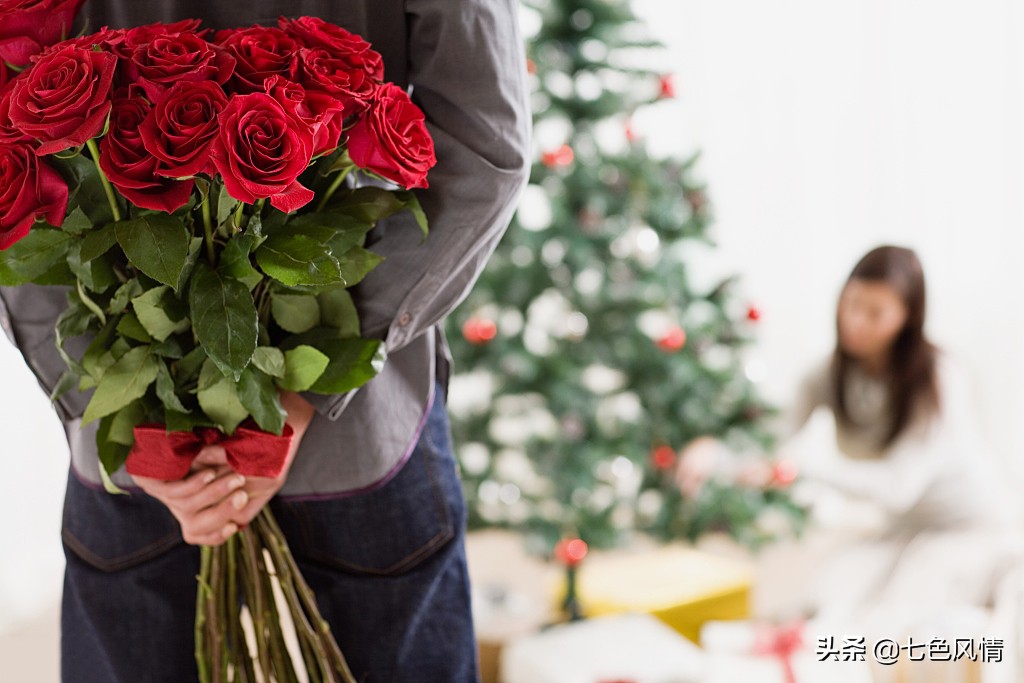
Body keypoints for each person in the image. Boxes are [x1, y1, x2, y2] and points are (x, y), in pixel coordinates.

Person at [0, 1, 530, 681]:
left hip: (144, 450)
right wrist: (313, 382)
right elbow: (487, 150)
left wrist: (108, 402)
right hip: (358, 438)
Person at [679, 245, 1020, 635]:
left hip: (970, 524)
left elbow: (897, 488)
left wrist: (800, 470)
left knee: (899, 615)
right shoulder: (827, 375)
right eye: (851, 304)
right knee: (831, 589)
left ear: (907, 318)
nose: (856, 321)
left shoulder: (940, 378)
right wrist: (716, 455)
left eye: (875, 313)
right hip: (904, 527)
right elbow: (771, 438)